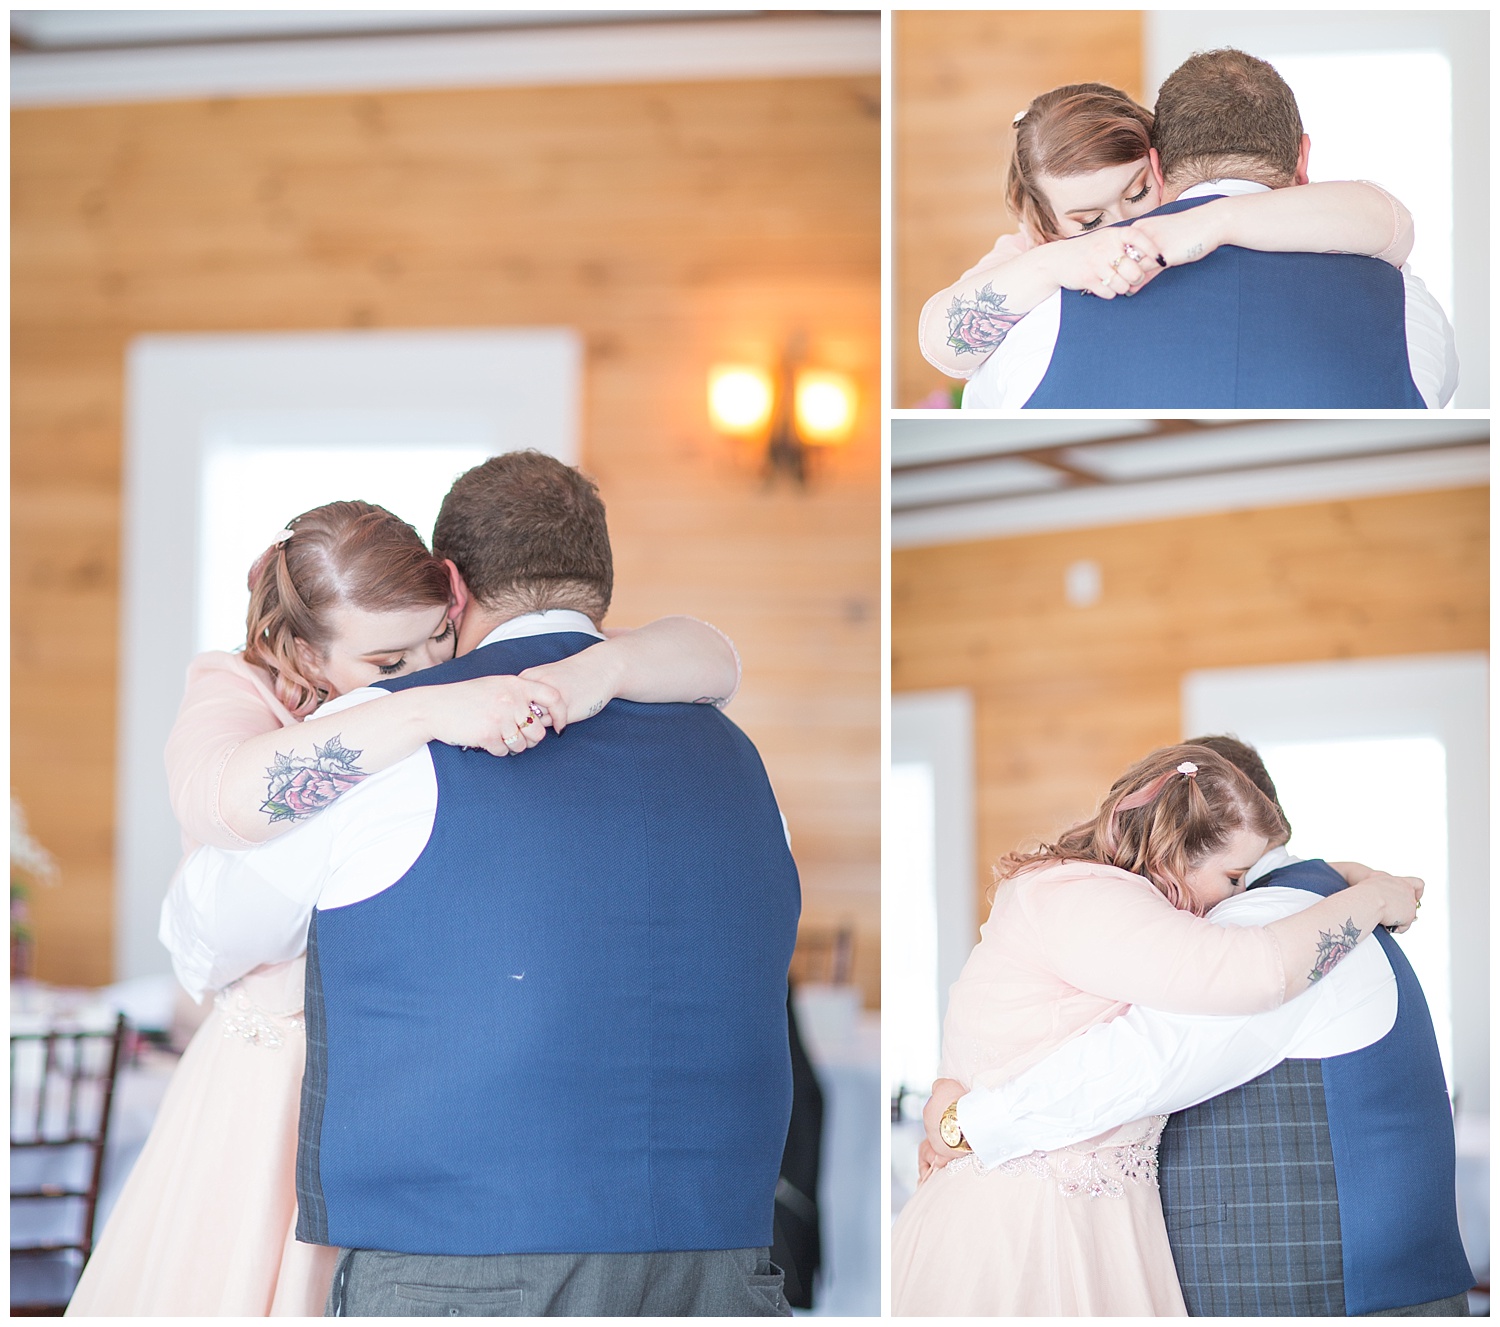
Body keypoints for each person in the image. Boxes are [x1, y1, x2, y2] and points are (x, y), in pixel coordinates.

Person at [162, 452, 802, 1317]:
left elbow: (207, 930)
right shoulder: (738, 753)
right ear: (600, 581)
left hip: (464, 1265)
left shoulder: (383, 732)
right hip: (722, 1261)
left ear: (451, 585)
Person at [920, 735, 1473, 1317]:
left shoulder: (1277, 914)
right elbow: (1173, 1031)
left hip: (1343, 1293)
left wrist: (962, 1122)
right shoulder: (1104, 902)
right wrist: (962, 1123)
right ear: (1179, 840)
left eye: (1240, 877)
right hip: (1039, 1210)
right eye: (1231, 876)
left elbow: (1144, 1058)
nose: (1228, 898)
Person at [944, 53, 1456, 408]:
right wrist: (1049, 263)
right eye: (1089, 221)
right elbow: (943, 340)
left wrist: (1211, 223)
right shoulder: (1407, 304)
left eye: (1136, 193)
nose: (1126, 228)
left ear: (1156, 165)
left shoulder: (1034, 328)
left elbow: (1389, 218)